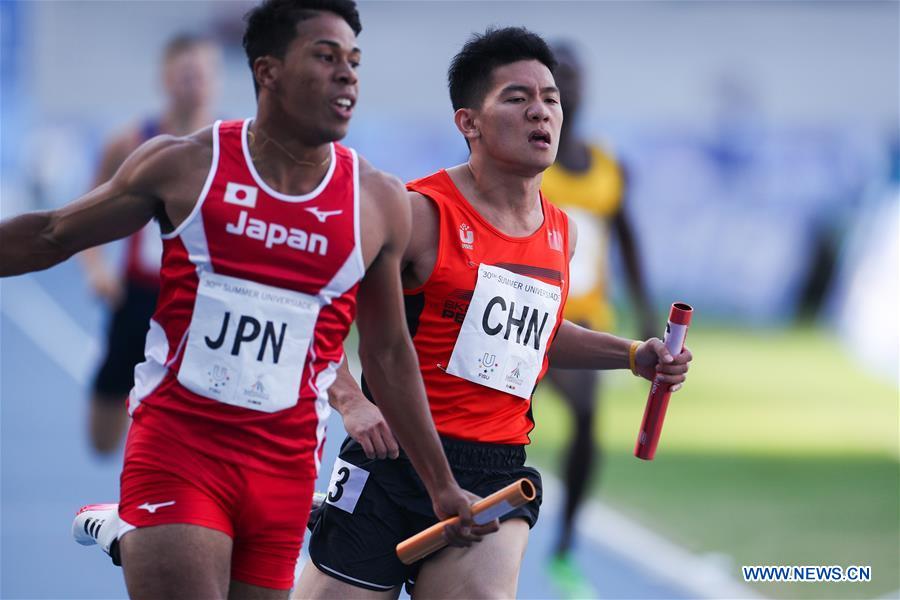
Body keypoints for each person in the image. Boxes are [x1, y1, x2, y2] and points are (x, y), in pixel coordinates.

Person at [0, 1, 487, 598]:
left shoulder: (375, 201)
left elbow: (388, 353)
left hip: (284, 471)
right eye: (326, 57)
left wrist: (440, 484)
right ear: (268, 72)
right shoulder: (187, 166)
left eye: (354, 61)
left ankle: (131, 534)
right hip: (182, 445)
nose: (348, 75)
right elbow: (52, 233)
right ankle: (145, 527)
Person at [295, 27, 692, 599]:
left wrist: (633, 355)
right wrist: (350, 399)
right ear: (469, 123)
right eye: (517, 98)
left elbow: (541, 335)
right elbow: (311, 303)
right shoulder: (416, 215)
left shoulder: (563, 233)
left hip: (493, 473)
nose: (542, 112)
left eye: (550, 99)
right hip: (390, 461)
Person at [539, 41, 655, 589]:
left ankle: (563, 541)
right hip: (521, 309)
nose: (573, 88)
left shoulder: (609, 167)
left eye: (578, 78)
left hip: (583, 321)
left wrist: (647, 314)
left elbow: (628, 240)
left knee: (585, 417)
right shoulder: (527, 159)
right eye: (563, 78)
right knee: (491, 417)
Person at [79, 33, 221, 455]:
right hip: (139, 294)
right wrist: (97, 269)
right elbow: (83, 216)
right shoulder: (129, 142)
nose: (192, 83)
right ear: (165, 78)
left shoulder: (235, 145)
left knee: (200, 417)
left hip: (205, 299)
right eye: (184, 74)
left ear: (214, 81)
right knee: (102, 439)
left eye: (200, 74)